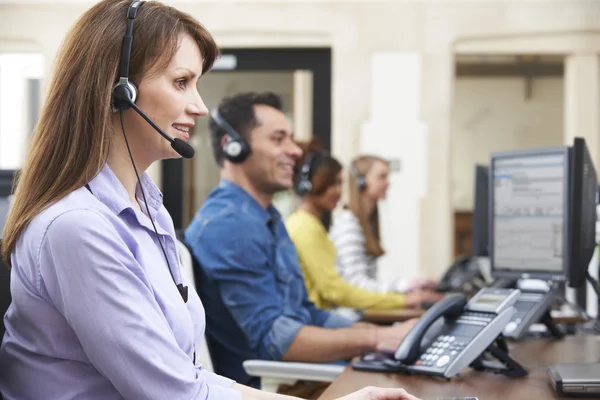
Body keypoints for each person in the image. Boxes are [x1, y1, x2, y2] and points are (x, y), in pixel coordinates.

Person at [0, 2, 422, 400]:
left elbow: (190, 378)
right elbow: (177, 393)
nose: (199, 106)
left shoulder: (149, 209)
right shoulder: (77, 227)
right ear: (120, 90)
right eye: (181, 82)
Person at [184, 91, 421, 395]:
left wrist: (381, 334)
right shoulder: (229, 225)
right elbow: (276, 341)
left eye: (291, 139)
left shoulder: (266, 217)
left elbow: (307, 312)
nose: (295, 151)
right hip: (272, 385)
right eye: (278, 139)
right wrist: (375, 339)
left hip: (295, 375)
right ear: (233, 147)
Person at [286, 147, 443, 317]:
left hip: (327, 315)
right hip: (328, 316)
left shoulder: (312, 224)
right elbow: (338, 289)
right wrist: (402, 294)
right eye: (382, 176)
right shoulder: (313, 226)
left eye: (340, 184)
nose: (339, 191)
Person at [329, 155, 437, 294]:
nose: (388, 183)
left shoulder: (366, 223)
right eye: (382, 177)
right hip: (350, 313)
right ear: (361, 182)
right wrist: (401, 286)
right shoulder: (348, 225)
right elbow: (355, 284)